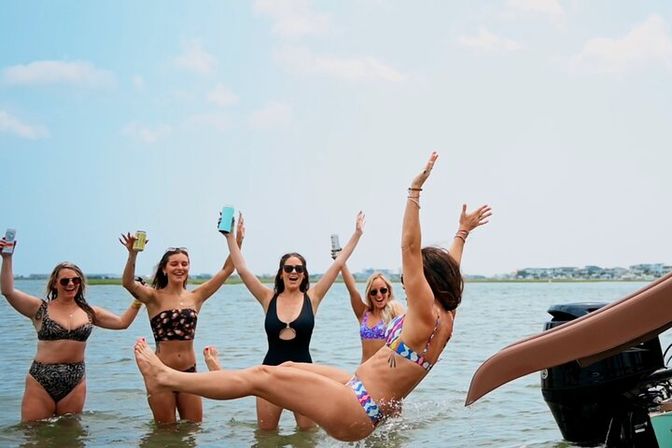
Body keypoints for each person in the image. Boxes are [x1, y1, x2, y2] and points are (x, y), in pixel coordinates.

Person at [133, 152, 492, 441]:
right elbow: (451, 270)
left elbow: (410, 248)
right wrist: (462, 232)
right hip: (363, 395)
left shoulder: (424, 313)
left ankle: (166, 378)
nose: (405, 279)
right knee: (285, 368)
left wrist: (414, 193)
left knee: (261, 376)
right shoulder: (446, 316)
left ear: (427, 281)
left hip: (356, 405)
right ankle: (200, 378)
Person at [203, 211, 365, 431]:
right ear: (281, 274)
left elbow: (338, 265)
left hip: (305, 375)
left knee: (307, 438)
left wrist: (356, 234)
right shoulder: (267, 298)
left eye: (299, 269)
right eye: (288, 268)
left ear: (304, 275)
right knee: (266, 437)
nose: (294, 272)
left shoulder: (313, 298)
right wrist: (231, 237)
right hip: (270, 373)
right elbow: (241, 269)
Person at [0, 239, 143, 422]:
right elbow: (8, 291)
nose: (70, 284)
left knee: (71, 436)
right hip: (40, 379)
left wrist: (139, 299)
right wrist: (7, 258)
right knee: (32, 435)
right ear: (55, 284)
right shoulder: (39, 309)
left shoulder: (90, 312)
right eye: (65, 280)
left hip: (75, 381)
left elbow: (123, 323)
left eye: (75, 280)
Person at [119, 219, 243, 424]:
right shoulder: (153, 297)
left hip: (190, 373)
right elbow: (128, 283)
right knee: (166, 434)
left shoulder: (196, 296)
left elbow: (227, 269)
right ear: (164, 269)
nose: (180, 268)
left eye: (184, 264)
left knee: (193, 429)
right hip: (160, 372)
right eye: (174, 264)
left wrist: (236, 239)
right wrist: (133, 254)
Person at [341, 266, 405, 363]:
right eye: (374, 292)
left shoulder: (394, 309)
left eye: (383, 290)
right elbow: (352, 290)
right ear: (369, 295)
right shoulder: (363, 312)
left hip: (385, 372)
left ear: (389, 292)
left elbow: (409, 335)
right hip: (363, 371)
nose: (379, 295)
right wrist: (341, 263)